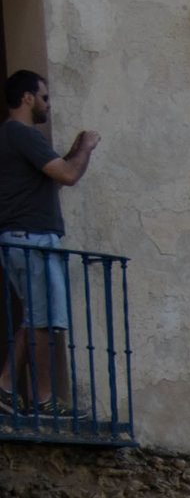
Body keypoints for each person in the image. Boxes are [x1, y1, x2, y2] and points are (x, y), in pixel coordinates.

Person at [0, 69, 99, 419]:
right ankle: (43, 399)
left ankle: (8, 386)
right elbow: (68, 175)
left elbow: (51, 182)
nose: (48, 105)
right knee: (42, 321)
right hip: (32, 239)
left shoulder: (12, 140)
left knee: (36, 318)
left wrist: (72, 152)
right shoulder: (21, 134)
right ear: (27, 98)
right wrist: (85, 148)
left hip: (25, 238)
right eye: (44, 97)